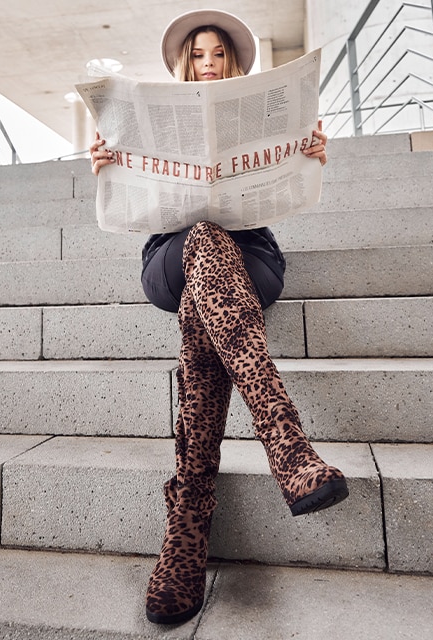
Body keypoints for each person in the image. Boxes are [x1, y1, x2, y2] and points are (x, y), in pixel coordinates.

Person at [89, 9, 347, 626]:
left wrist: (309, 153)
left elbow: (290, 179)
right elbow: (128, 201)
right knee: (202, 238)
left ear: (233, 63)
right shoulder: (149, 119)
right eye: (199, 55)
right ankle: (285, 443)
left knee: (207, 300)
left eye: (219, 55)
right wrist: (108, 162)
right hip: (168, 259)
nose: (209, 63)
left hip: (252, 256)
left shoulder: (255, 113)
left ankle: (187, 523)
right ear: (185, 63)